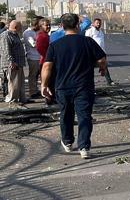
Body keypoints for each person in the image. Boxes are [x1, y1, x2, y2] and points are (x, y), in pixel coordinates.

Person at [41, 14, 107, 159]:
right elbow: (102, 58)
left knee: (66, 115)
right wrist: (102, 68)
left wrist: (44, 85)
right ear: (77, 25)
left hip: (62, 87)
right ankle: (84, 147)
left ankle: (68, 142)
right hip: (84, 86)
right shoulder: (87, 41)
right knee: (84, 116)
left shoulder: (55, 45)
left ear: (62, 27)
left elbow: (47, 66)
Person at [1, 20, 27, 104]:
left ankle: (21, 98)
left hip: (19, 63)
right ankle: (13, 100)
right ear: (16, 27)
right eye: (20, 27)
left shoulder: (15, 35)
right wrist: (11, 62)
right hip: (12, 64)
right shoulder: (5, 35)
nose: (21, 29)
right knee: (13, 84)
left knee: (20, 83)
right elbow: (6, 50)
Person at [85, 18, 115, 85]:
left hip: (101, 53)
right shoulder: (89, 31)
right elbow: (86, 42)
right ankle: (89, 83)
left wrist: (104, 53)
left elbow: (102, 43)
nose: (98, 24)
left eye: (99, 23)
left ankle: (109, 81)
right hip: (92, 53)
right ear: (94, 23)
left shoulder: (101, 32)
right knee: (90, 69)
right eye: (97, 23)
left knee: (104, 67)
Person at [23, 17, 43, 98]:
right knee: (33, 75)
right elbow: (33, 44)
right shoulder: (28, 33)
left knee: (38, 75)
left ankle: (36, 90)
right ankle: (32, 92)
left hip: (39, 56)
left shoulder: (37, 32)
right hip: (33, 57)